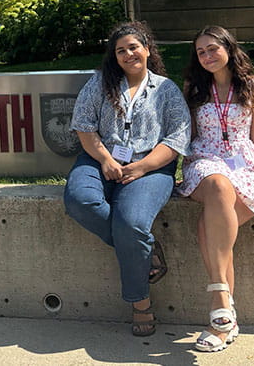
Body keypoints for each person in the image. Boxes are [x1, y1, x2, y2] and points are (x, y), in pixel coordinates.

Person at [63, 21, 190, 337]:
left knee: (131, 221)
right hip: (100, 159)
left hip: (152, 167)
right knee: (80, 200)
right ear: (114, 57)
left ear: (147, 49)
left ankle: (140, 303)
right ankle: (143, 248)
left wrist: (144, 167)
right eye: (121, 50)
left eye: (134, 47)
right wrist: (105, 158)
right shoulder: (99, 84)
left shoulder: (166, 89)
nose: (128, 54)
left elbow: (177, 137)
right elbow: (83, 125)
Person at [178, 26, 254, 352]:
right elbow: (189, 136)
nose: (207, 56)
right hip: (206, 161)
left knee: (211, 229)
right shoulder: (194, 88)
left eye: (212, 49)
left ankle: (223, 318)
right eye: (201, 52)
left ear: (228, 48)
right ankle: (220, 298)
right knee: (219, 188)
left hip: (244, 163)